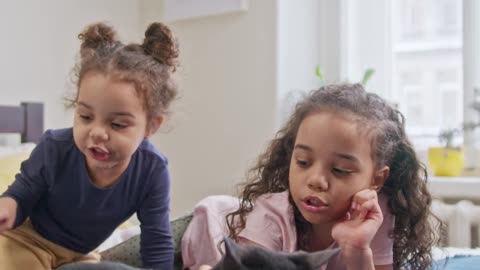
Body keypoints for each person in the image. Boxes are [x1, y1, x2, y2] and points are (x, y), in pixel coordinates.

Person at [181, 84, 443, 270]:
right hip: (214, 232)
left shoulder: (374, 215)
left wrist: (357, 250)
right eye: (303, 162)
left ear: (376, 180)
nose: (316, 179)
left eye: (340, 169)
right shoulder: (270, 216)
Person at [0, 21, 179, 270]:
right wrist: (8, 206)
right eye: (85, 117)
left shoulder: (152, 170)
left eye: (117, 124)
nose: (96, 133)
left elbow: (157, 240)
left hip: (81, 255)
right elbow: (22, 193)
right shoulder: (54, 147)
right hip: (28, 242)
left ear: (151, 126)